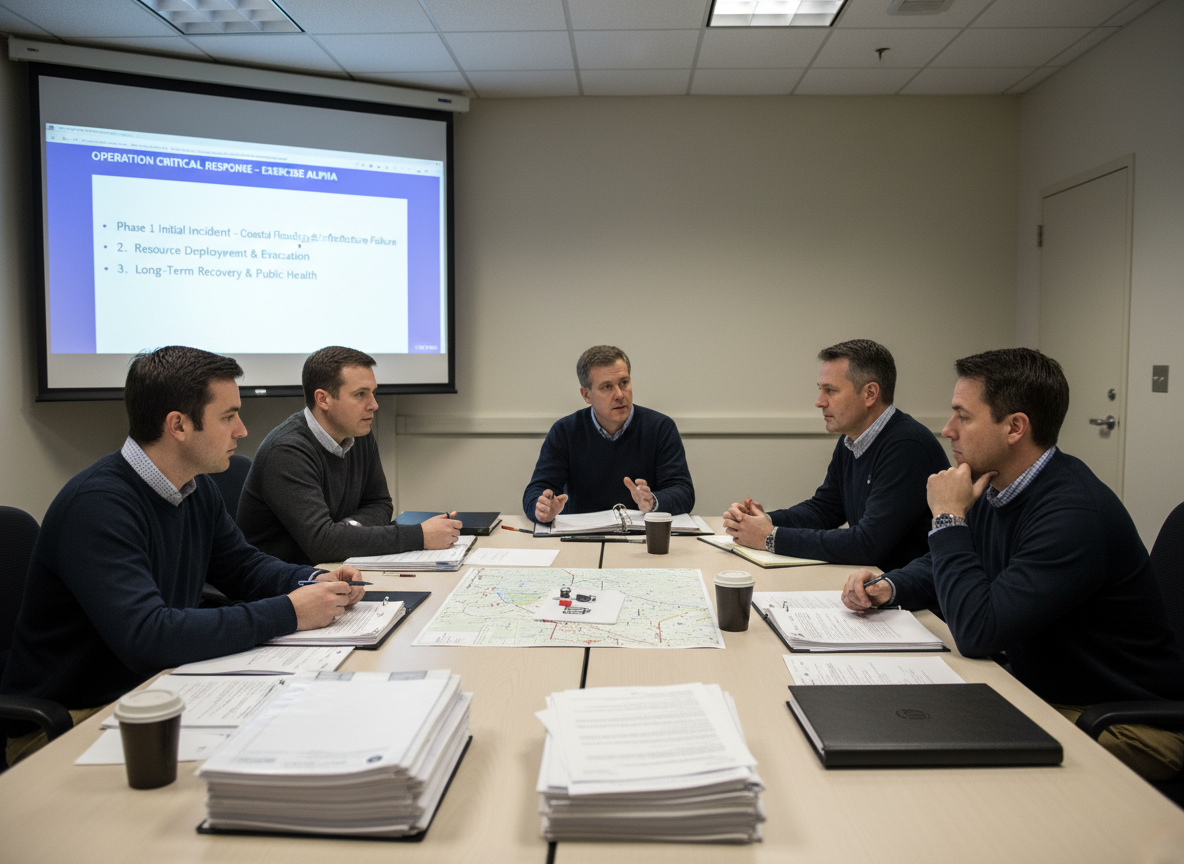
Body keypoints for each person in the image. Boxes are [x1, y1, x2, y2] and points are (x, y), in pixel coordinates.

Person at [1, 346, 365, 766]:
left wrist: (311, 581)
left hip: (156, 692)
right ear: (178, 425)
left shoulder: (194, 486)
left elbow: (243, 567)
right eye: (228, 417)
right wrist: (290, 611)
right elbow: (148, 636)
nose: (242, 430)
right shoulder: (98, 506)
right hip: (70, 722)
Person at [842, 348, 1184, 781]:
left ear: (1015, 428)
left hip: (1126, 722)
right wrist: (890, 586)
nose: (948, 430)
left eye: (963, 417)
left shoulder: (1072, 513)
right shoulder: (998, 485)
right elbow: (950, 563)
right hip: (1045, 687)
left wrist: (948, 518)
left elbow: (978, 631)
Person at [723, 339, 948, 572]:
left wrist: (770, 537)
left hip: (910, 598)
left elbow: (867, 544)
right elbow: (824, 509)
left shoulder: (907, 445)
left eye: (830, 390)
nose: (819, 401)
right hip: (869, 585)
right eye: (820, 389)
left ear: (870, 393)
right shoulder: (851, 439)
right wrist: (764, 521)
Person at [237, 346, 460, 565]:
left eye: (373, 392)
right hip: (284, 585)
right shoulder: (286, 451)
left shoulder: (358, 433)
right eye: (360, 394)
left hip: (336, 570)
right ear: (323, 399)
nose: (374, 405)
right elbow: (323, 543)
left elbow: (379, 503)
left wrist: (346, 531)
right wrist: (419, 536)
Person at [523, 345, 694, 524]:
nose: (620, 395)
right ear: (586, 395)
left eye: (624, 383)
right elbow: (537, 490)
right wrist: (542, 508)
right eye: (607, 387)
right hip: (581, 538)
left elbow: (683, 492)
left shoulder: (660, 427)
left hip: (642, 539)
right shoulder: (565, 431)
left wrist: (654, 501)